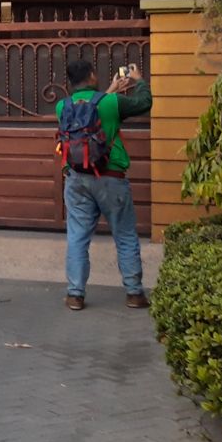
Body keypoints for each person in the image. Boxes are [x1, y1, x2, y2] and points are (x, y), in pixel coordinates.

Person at [55, 58, 153, 311]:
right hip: (111, 178)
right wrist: (138, 80)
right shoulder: (111, 103)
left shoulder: (62, 106)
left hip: (76, 179)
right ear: (92, 76)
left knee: (77, 237)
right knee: (125, 234)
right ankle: (134, 293)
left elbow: (89, 108)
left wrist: (110, 90)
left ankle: (75, 294)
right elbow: (144, 102)